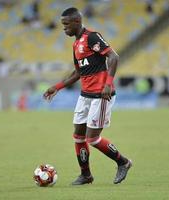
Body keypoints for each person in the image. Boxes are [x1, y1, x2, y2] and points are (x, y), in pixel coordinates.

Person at [43, 7, 132, 185]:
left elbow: (113, 57)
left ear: (77, 22)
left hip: (101, 95)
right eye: (63, 25)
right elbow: (78, 73)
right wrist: (57, 87)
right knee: (78, 136)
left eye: (66, 24)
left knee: (93, 138)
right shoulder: (76, 44)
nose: (64, 28)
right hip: (85, 96)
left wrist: (108, 84)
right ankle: (86, 175)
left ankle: (123, 162)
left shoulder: (92, 37)